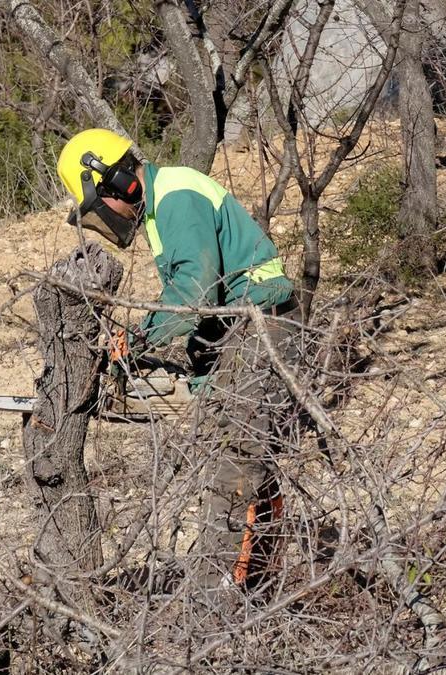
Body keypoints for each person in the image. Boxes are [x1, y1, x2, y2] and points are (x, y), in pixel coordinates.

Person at [56, 128, 301, 595]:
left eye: (102, 205)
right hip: (237, 329)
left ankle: (218, 596)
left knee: (237, 463)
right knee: (240, 458)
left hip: (258, 324)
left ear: (120, 182)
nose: (107, 217)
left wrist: (142, 337)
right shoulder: (163, 206)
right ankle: (258, 582)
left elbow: (195, 286)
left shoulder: (176, 195)